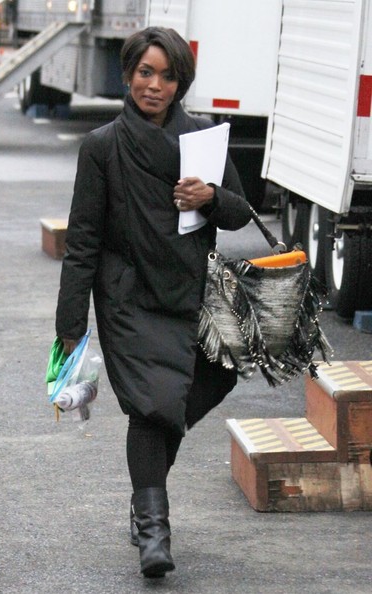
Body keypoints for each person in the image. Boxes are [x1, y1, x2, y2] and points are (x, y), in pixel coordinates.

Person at [55, 26, 252, 578]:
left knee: (211, 380)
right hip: (128, 299)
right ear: (127, 75)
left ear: (180, 83)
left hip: (191, 294)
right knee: (152, 405)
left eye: (167, 76)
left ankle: (145, 497)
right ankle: (154, 531)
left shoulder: (203, 139)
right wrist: (71, 324)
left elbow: (241, 212)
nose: (155, 85)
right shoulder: (102, 147)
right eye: (146, 72)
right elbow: (83, 240)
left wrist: (211, 197)